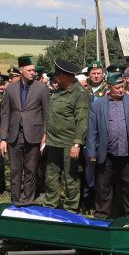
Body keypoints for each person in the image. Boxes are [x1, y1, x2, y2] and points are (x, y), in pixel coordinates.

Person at [86, 76, 129, 217]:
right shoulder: (98, 105)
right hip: (106, 152)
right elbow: (92, 130)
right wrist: (91, 151)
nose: (121, 91)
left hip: (127, 151)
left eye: (122, 87)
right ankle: (102, 214)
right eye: (117, 88)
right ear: (109, 87)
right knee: (103, 186)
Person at [1, 56, 49, 205]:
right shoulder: (11, 89)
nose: (32, 73)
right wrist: (3, 138)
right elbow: (5, 114)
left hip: (34, 136)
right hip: (14, 136)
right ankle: (15, 201)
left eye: (34, 70)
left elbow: (47, 114)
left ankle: (27, 201)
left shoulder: (42, 88)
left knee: (30, 170)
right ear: (20, 70)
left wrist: (45, 135)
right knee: (15, 170)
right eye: (29, 70)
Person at [40, 62, 88, 209]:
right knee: (51, 176)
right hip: (53, 142)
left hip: (69, 144)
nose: (56, 80)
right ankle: (50, 204)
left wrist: (76, 144)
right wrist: (45, 137)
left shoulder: (80, 94)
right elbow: (50, 116)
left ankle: (71, 208)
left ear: (65, 76)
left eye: (58, 76)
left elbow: (82, 121)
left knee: (71, 177)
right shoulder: (57, 92)